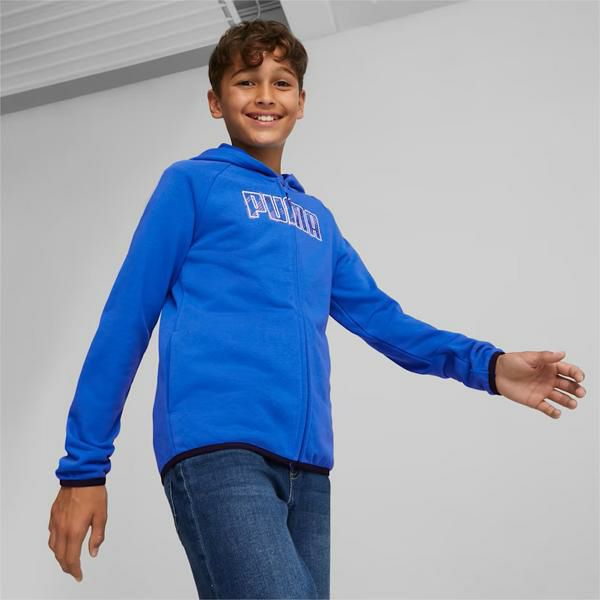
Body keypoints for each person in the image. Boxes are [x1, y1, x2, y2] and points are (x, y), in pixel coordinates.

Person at [47, 18, 587, 600]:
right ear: (215, 101)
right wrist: (84, 469)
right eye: (246, 81)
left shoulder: (318, 221)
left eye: (281, 83)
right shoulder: (192, 185)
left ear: (301, 102)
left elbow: (383, 320)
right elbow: (126, 320)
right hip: (219, 450)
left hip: (307, 468)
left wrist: (489, 365)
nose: (264, 96)